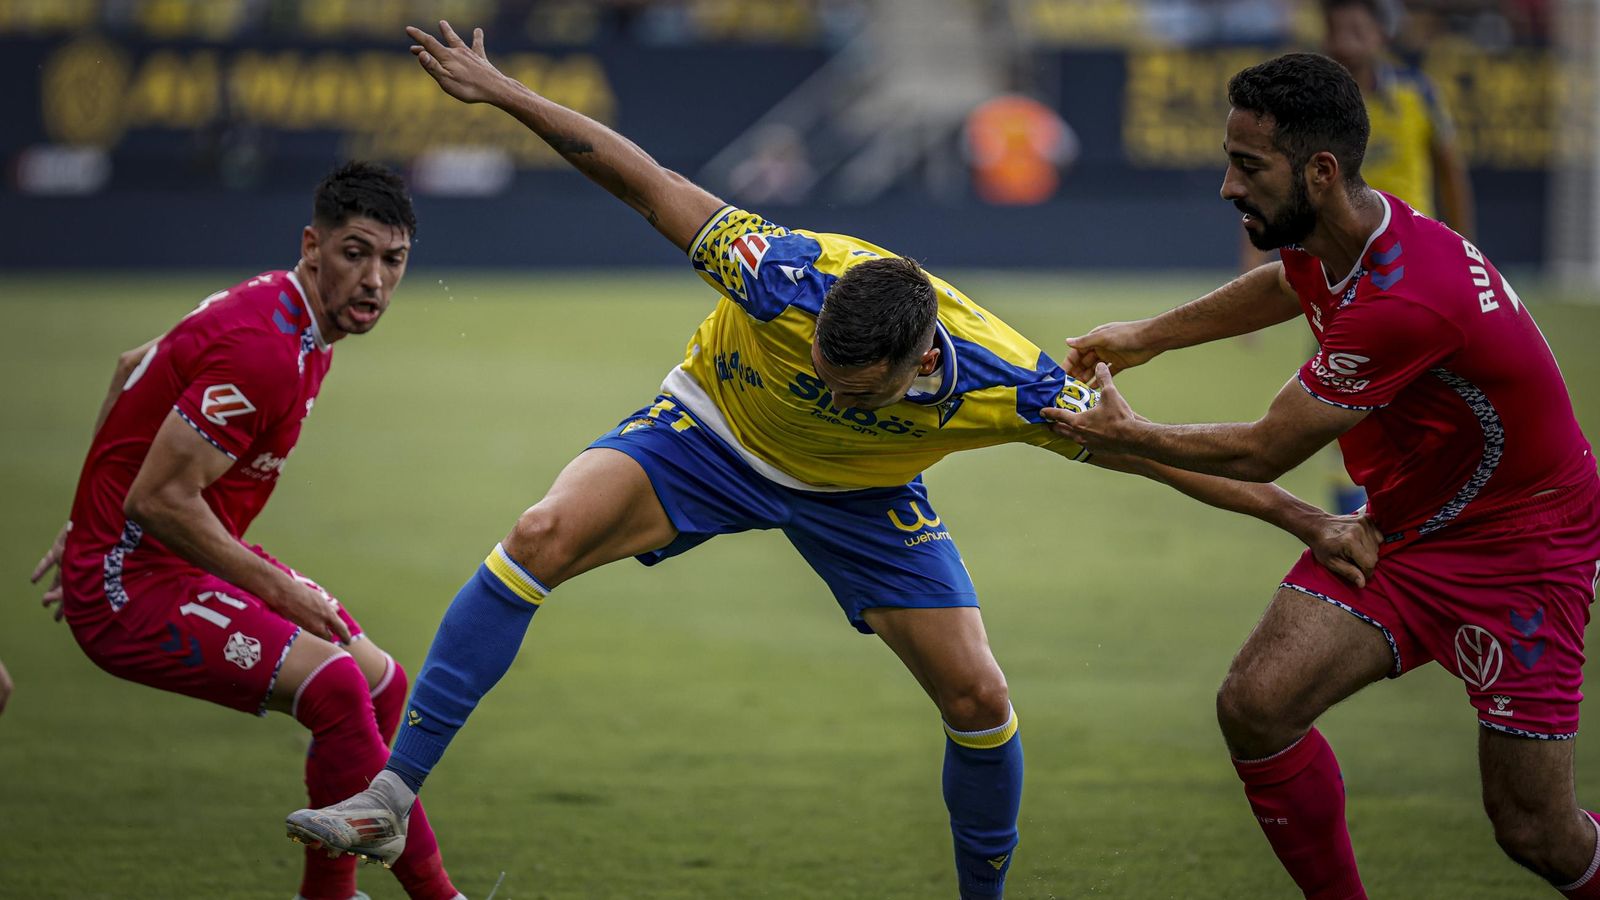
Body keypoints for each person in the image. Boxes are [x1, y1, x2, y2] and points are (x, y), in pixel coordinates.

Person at [285, 24, 1379, 900]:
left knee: (978, 697)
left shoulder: (1011, 385)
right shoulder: (779, 273)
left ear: (912, 370)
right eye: (816, 355)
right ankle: (390, 795)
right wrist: (501, 91)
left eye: (848, 380)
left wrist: (1306, 521)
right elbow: (633, 172)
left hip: (859, 496)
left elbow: (1152, 455)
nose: (820, 371)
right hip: (711, 432)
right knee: (538, 536)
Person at [1048, 52, 1600, 899]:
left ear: (1321, 169)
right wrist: (1151, 334)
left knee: (1535, 833)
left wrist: (1132, 432)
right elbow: (1286, 283)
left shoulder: (1404, 300)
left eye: (1247, 166)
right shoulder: (1343, 233)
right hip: (1410, 527)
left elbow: (1265, 449)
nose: (1228, 188)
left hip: (1525, 548)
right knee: (1257, 704)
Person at [29, 162, 463, 900]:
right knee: (332, 684)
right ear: (311, 247)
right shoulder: (264, 351)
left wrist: (81, 519)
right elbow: (159, 500)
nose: (375, 281)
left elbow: (134, 365)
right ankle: (438, 894)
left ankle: (327, 895)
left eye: (393, 261)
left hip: (176, 557)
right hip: (127, 584)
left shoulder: (287, 313)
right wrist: (273, 588)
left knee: (381, 684)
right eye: (355, 254)